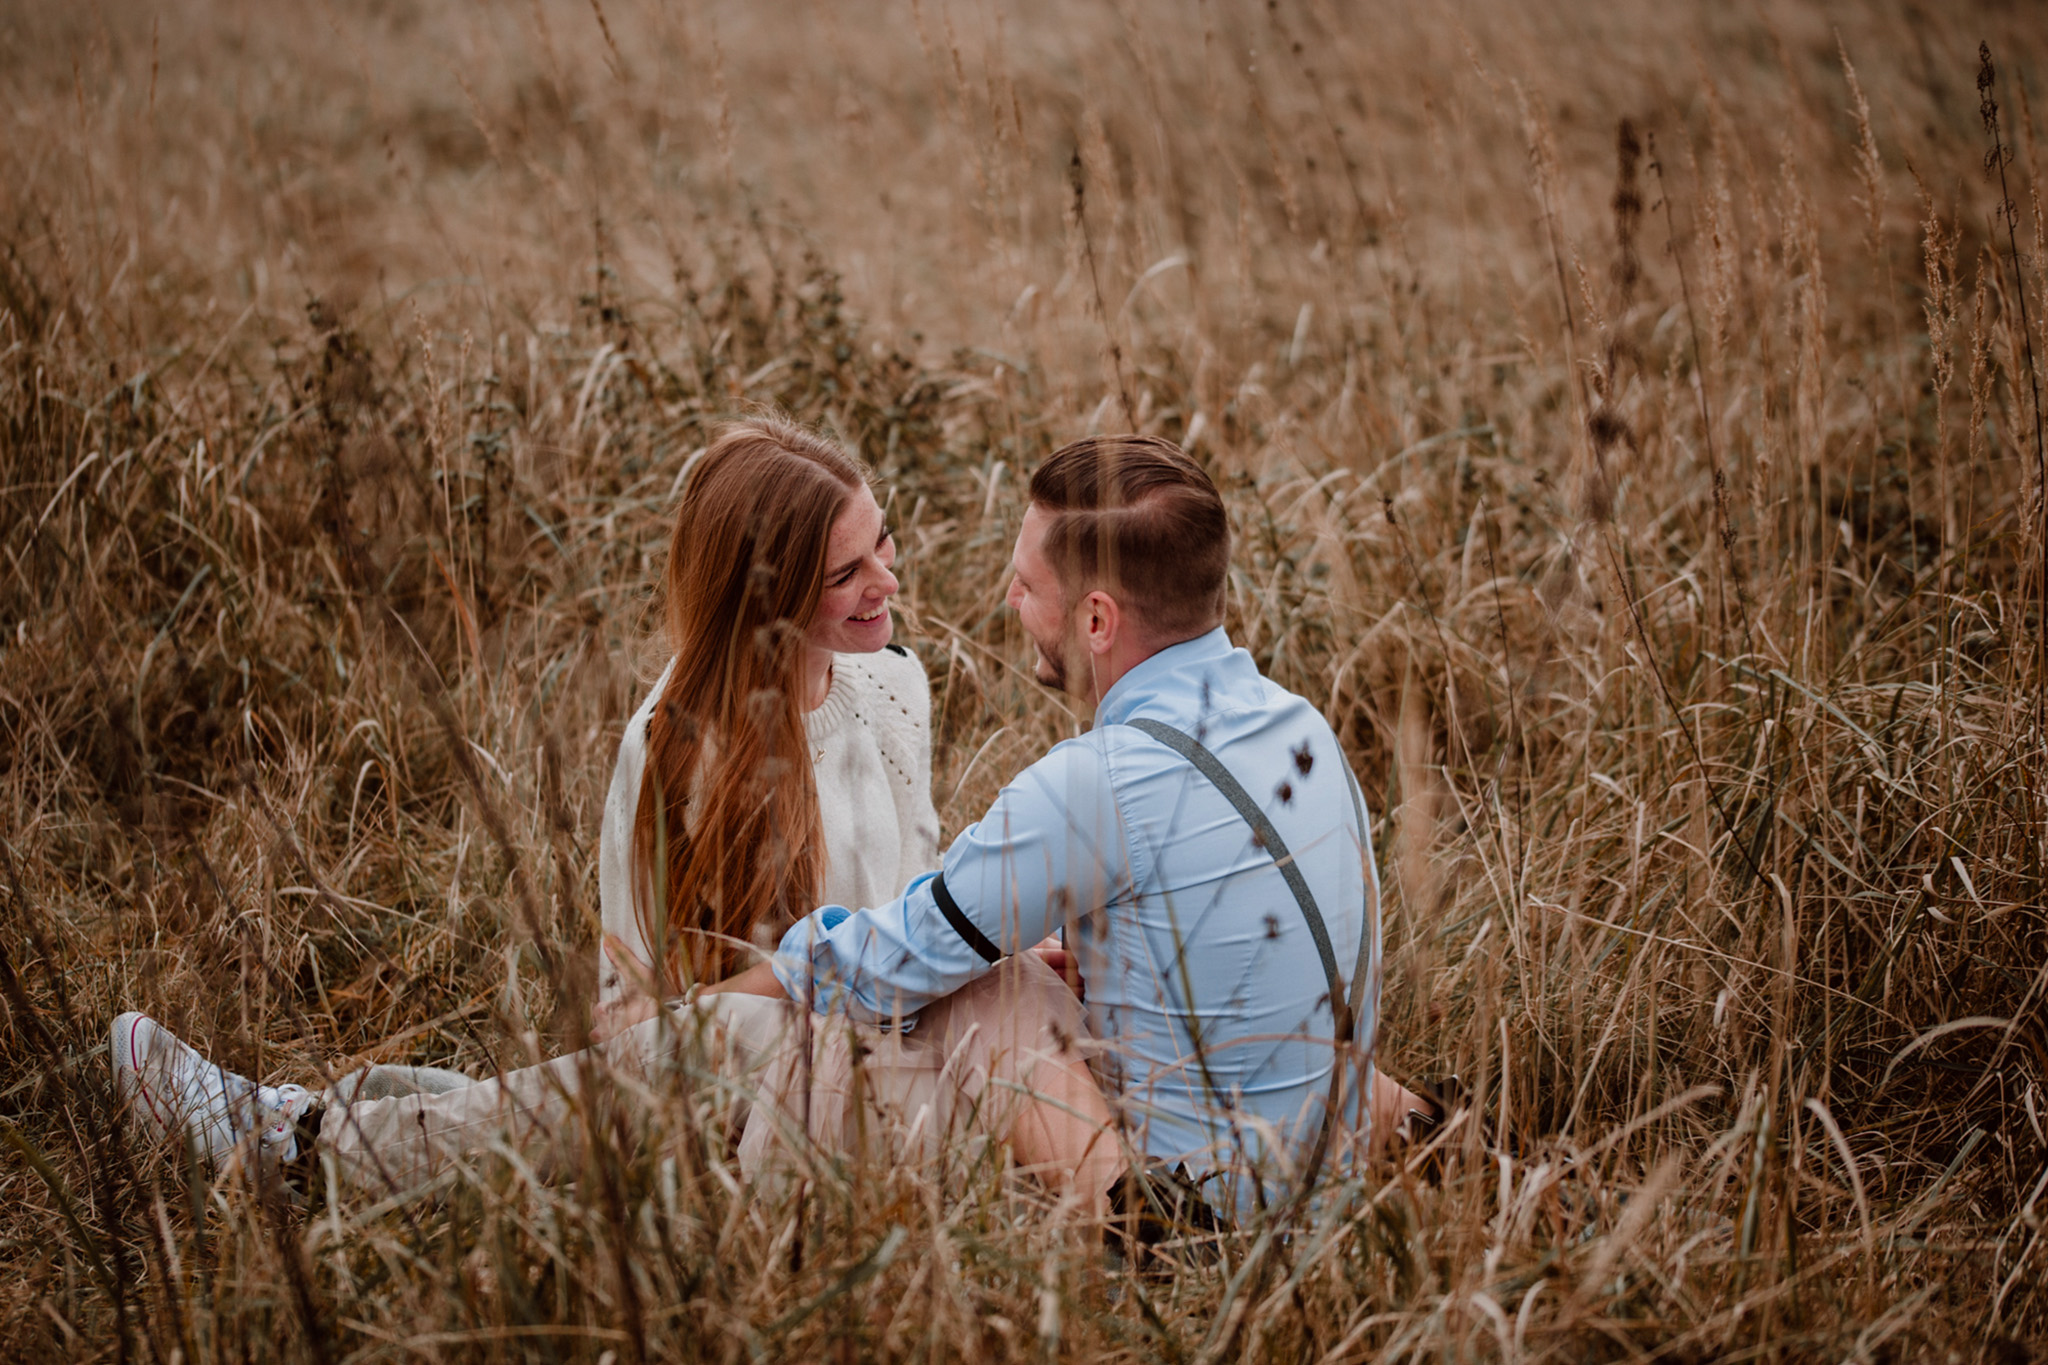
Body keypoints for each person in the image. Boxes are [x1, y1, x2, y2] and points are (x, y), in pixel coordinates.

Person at [112, 416, 1123, 1211]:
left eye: (883, 549)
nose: (887, 584)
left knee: (1019, 998)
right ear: (760, 597)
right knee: (710, 1039)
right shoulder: (678, 744)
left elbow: (914, 888)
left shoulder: (897, 686)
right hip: (751, 1079)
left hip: (901, 1041)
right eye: (845, 575)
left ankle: (309, 1131)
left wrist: (998, 949)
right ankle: (303, 1145)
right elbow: (634, 1005)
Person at [705, 433, 1438, 1211]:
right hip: (1328, 1176)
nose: (1010, 600)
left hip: (1207, 1211)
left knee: (992, 981)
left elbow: (896, 959)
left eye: (1027, 584)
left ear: (1096, 619)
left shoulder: (1098, 782)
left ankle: (1138, 1230)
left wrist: (738, 989)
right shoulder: (1304, 729)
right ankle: (1432, 1136)